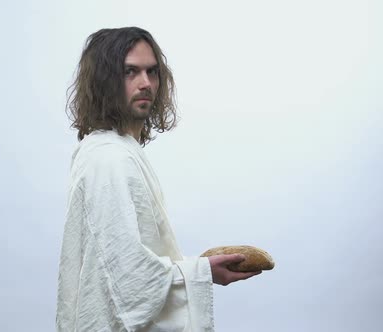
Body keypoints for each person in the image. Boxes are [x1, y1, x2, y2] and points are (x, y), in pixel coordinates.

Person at [56, 27, 261, 331]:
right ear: (103, 81)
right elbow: (127, 279)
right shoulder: (110, 159)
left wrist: (199, 269)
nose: (146, 83)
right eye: (130, 72)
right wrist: (201, 272)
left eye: (152, 72)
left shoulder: (119, 150)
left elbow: (127, 262)